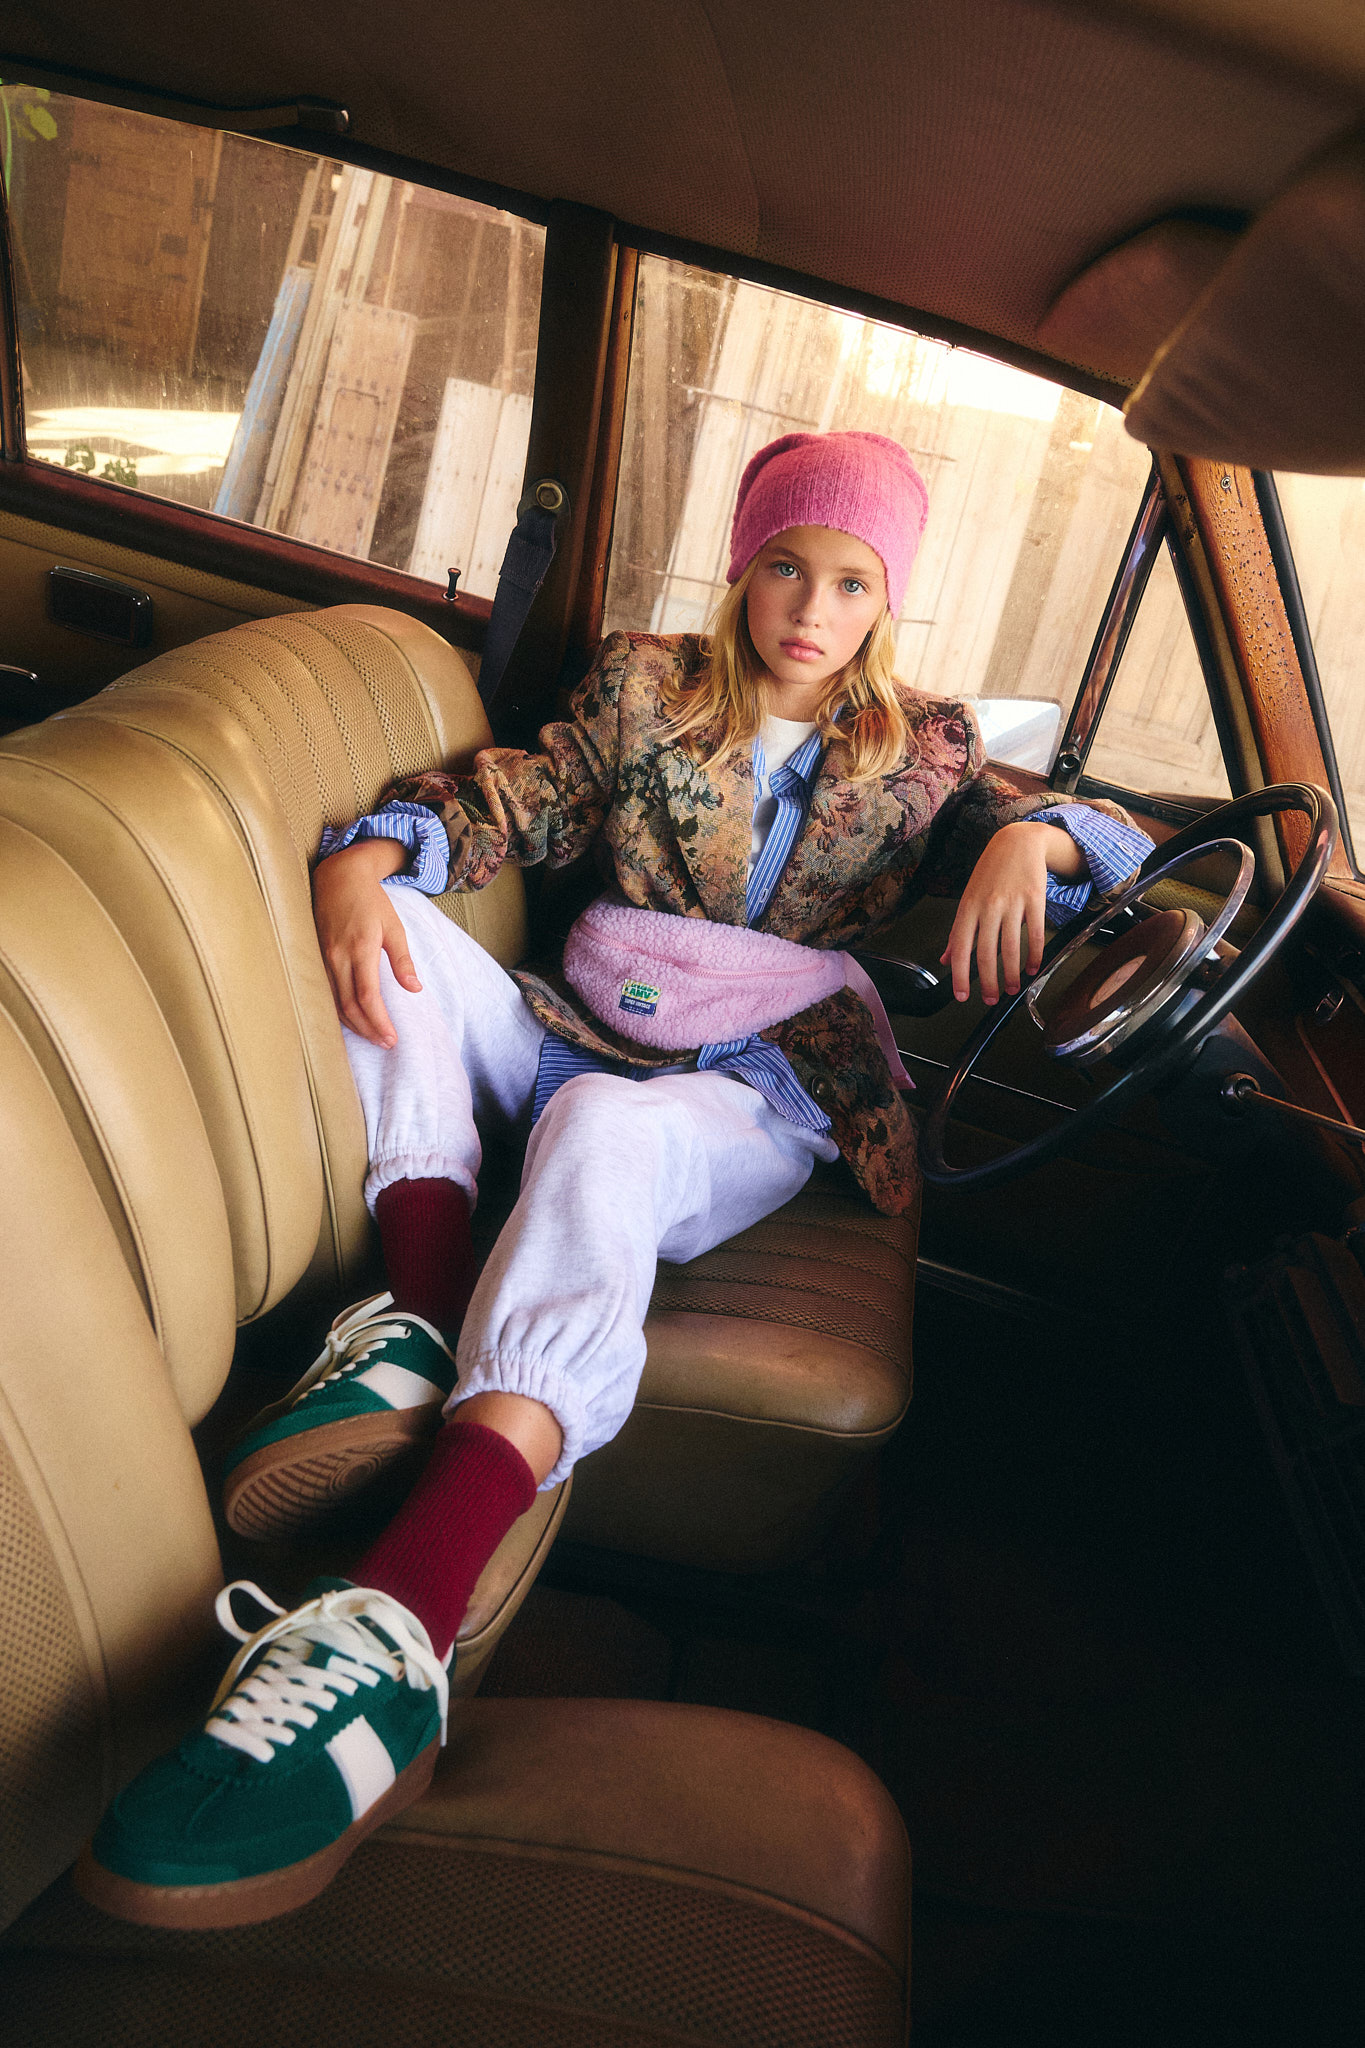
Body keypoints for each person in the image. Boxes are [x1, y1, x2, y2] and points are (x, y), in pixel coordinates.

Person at [77, 431, 1152, 1928]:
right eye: (786, 566)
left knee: (605, 1133)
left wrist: (1036, 837)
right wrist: (369, 860)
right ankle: (417, 1321)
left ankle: (399, 1627)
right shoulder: (649, 688)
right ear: (743, 567)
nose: (811, 609)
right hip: (582, 1023)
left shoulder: (924, 751)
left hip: (750, 1091)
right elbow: (519, 799)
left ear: (886, 601)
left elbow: (1119, 843)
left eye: (851, 583)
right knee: (406, 950)